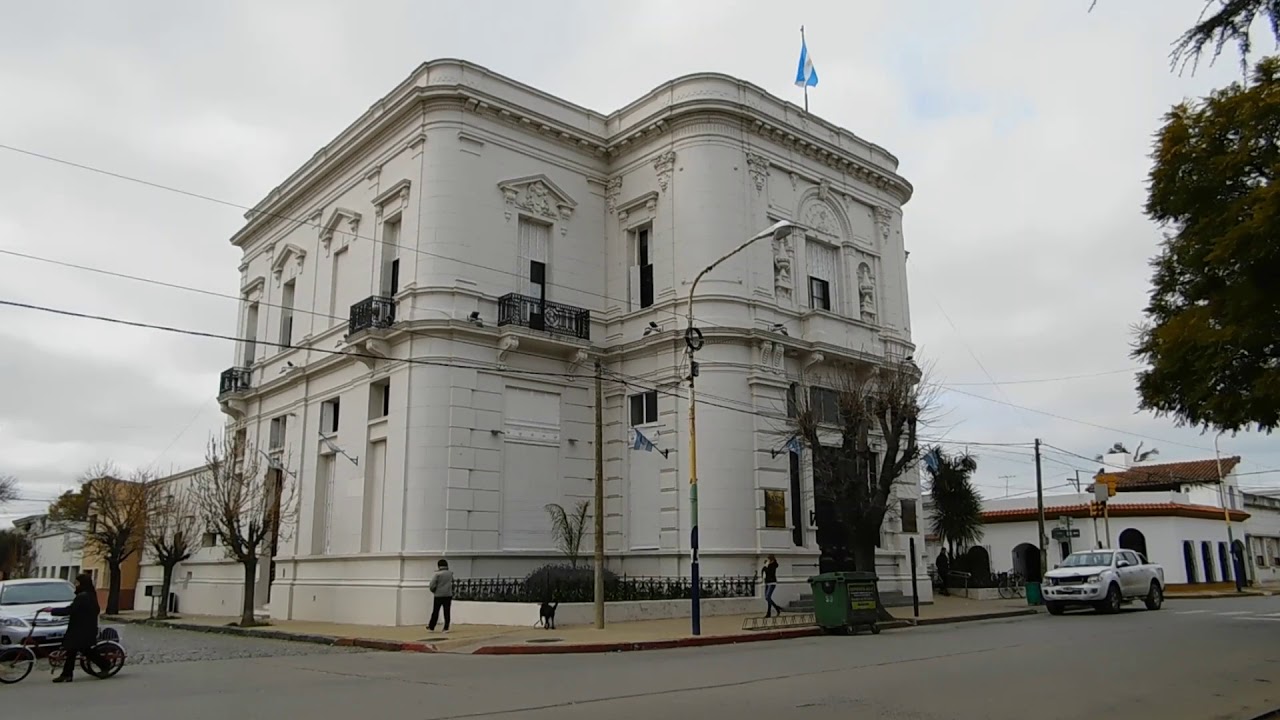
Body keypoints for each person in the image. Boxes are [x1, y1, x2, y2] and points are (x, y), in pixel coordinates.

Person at [46, 572, 109, 683]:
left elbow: (70, 610)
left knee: (85, 650)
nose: (76, 584)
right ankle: (67, 674)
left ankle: (105, 665)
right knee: (72, 651)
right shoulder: (88, 594)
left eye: (77, 582)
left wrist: (52, 610)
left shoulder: (83, 596)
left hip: (83, 630)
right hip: (81, 629)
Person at [427, 559, 454, 633]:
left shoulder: (437, 574)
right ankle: (446, 628)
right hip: (448, 595)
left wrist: (434, 591)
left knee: (435, 611)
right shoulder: (450, 573)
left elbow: (432, 585)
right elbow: (453, 584)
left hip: (438, 595)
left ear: (439, 566)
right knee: (447, 612)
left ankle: (431, 626)